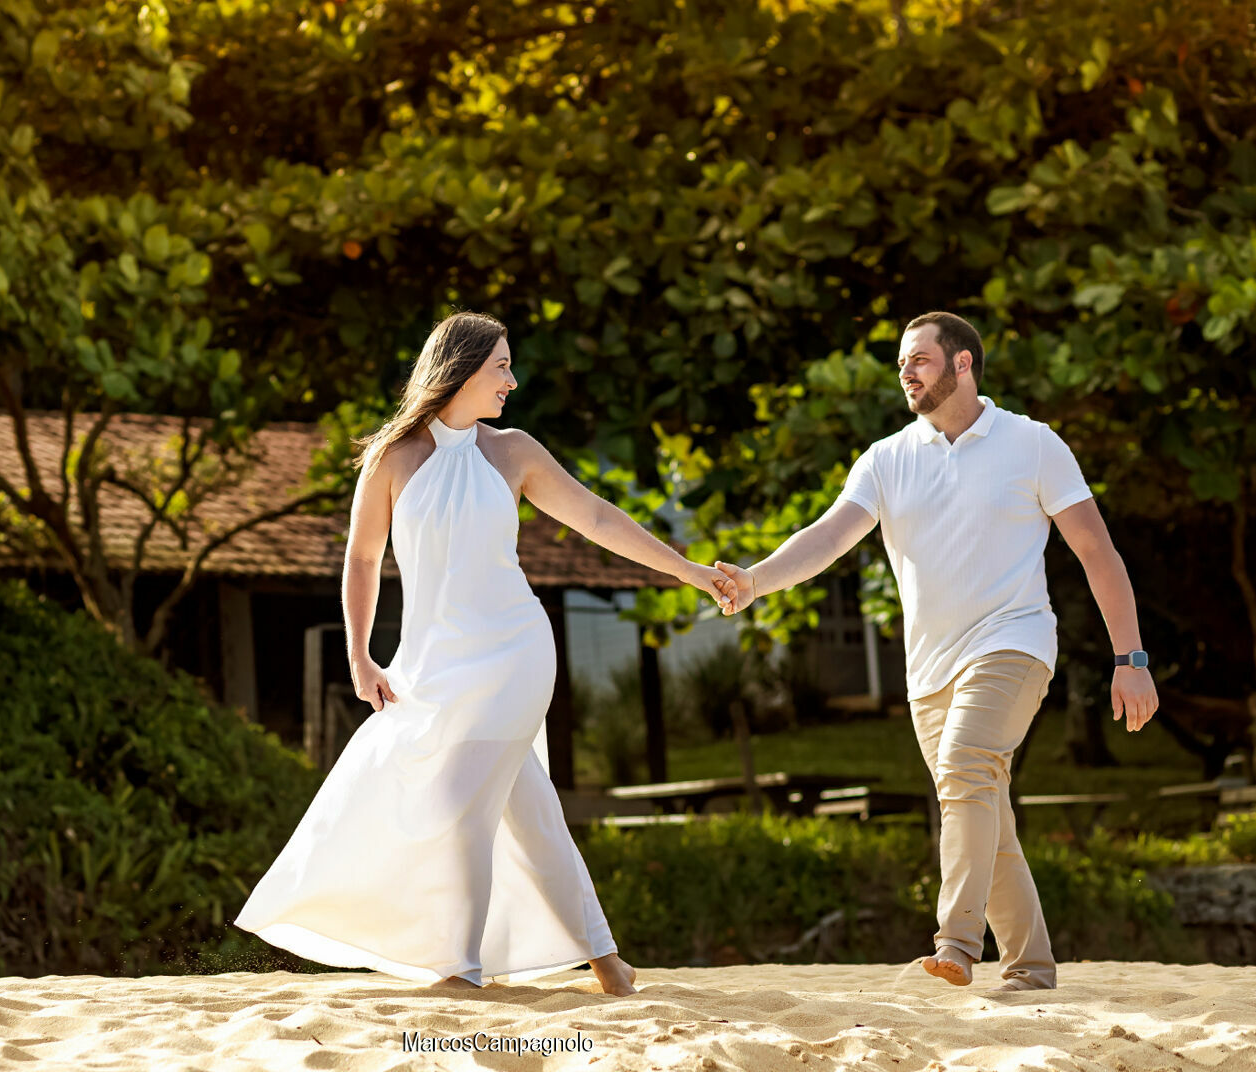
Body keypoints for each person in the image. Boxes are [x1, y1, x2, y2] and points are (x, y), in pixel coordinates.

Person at [235, 311, 731, 995]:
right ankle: (608, 963)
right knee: (528, 810)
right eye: (500, 365)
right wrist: (358, 654)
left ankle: (457, 967)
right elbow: (361, 557)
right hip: (431, 663)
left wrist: (690, 570)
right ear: (460, 368)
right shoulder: (392, 457)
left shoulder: (514, 452)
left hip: (513, 650)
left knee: (458, 800)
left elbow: (596, 518)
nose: (512, 379)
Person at [711, 311, 1159, 992]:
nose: (905, 372)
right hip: (928, 670)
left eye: (918, 359)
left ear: (961, 364)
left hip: (1013, 642)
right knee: (981, 807)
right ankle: (1031, 968)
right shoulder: (887, 458)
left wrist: (1130, 660)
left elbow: (1096, 551)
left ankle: (955, 943)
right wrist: (755, 579)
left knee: (963, 765)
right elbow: (827, 537)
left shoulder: (1031, 444)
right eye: (900, 363)